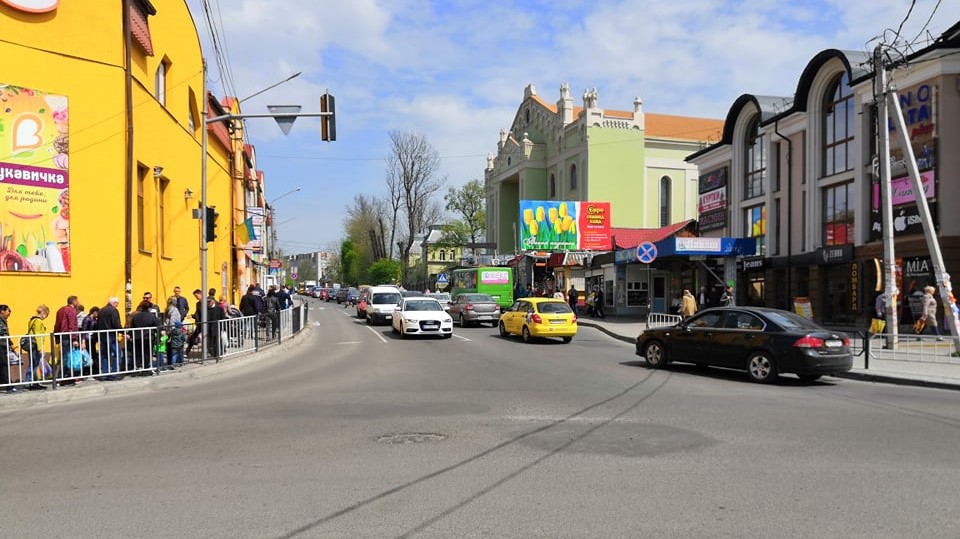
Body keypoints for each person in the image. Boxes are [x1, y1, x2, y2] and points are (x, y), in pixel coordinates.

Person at [128, 300, 161, 372]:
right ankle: (146, 368)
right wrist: (158, 337)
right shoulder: (151, 317)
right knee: (147, 353)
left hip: (137, 338)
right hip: (147, 337)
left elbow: (132, 327)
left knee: (138, 353)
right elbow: (158, 327)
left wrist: (130, 335)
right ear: (149, 308)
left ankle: (137, 368)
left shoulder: (136, 316)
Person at [53, 295, 80, 380]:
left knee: (64, 357)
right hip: (68, 337)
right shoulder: (71, 311)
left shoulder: (60, 310)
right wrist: (74, 339)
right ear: (74, 302)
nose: (78, 303)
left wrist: (57, 338)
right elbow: (72, 325)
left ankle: (63, 377)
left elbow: (57, 324)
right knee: (67, 357)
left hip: (61, 336)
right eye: (77, 301)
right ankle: (65, 377)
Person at [95, 297, 123, 379]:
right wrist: (123, 332)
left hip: (102, 335)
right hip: (111, 335)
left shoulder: (101, 310)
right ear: (114, 303)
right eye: (117, 304)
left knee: (104, 355)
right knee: (118, 354)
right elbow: (116, 323)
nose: (117, 305)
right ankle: (114, 373)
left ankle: (105, 373)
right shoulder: (113, 310)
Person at [23, 305, 50, 389]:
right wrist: (40, 349)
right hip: (35, 345)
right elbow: (38, 335)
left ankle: (31, 382)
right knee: (34, 364)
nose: (46, 317)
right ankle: (30, 383)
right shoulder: (38, 321)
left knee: (33, 364)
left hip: (32, 344)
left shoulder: (32, 319)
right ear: (43, 313)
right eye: (46, 315)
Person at [0, 304, 15, 392]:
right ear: (2, 311)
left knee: (2, 365)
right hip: (1, 345)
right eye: (8, 311)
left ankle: (4, 383)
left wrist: (10, 343)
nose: (9, 313)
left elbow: (6, 335)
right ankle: (8, 385)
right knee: (4, 365)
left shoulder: (3, 321)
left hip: (3, 345)